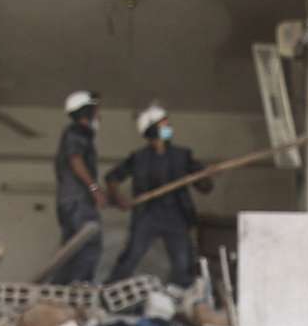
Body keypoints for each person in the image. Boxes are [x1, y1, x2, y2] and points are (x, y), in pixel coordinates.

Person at [106, 104, 212, 287]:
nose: (169, 128)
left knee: (183, 262)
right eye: (164, 124)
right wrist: (117, 197)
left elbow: (205, 187)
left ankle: (181, 297)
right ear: (152, 129)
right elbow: (112, 177)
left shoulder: (182, 155)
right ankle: (110, 290)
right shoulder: (138, 158)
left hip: (176, 216)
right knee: (131, 256)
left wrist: (205, 177)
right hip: (148, 215)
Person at [43, 91, 109, 286]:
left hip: (68, 201)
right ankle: (80, 288)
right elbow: (76, 160)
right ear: (86, 112)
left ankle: (58, 290)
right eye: (96, 110)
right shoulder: (77, 133)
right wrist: (95, 189)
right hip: (79, 201)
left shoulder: (72, 135)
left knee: (69, 252)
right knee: (90, 244)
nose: (99, 115)